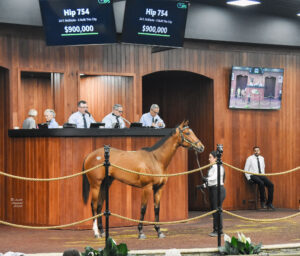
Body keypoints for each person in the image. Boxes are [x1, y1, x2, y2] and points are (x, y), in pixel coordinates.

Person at [202, 151, 226, 237]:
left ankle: (219, 230)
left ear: (215, 158)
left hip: (218, 190)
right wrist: (203, 185)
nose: (209, 159)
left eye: (210, 157)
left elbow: (215, 177)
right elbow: (211, 180)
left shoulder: (218, 167)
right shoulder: (212, 168)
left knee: (217, 210)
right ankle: (216, 229)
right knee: (214, 210)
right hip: (213, 189)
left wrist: (206, 179)